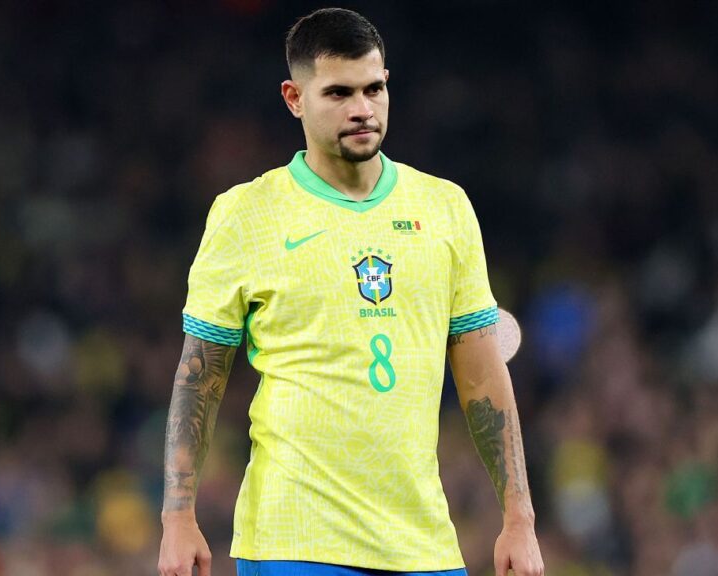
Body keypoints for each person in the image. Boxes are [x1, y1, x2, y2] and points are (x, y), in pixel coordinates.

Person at [157, 7, 544, 576]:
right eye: (338, 93)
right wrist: (177, 517)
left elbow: (483, 377)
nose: (362, 109)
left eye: (373, 89)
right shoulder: (246, 214)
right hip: (294, 539)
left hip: (423, 544)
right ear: (294, 98)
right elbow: (200, 377)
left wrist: (519, 519)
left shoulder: (445, 207)